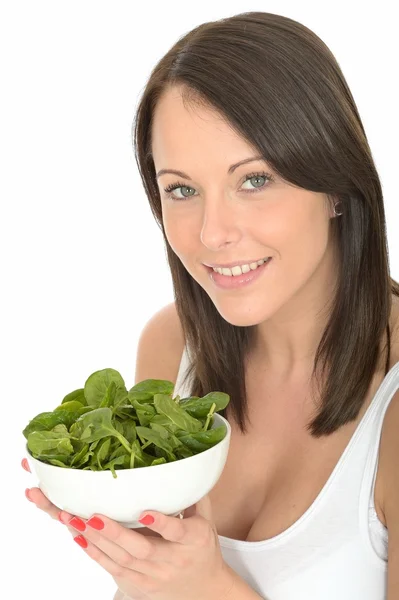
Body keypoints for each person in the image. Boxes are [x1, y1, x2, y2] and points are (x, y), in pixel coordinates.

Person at [22, 10, 399, 600]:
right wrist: (135, 560)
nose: (212, 234)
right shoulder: (173, 347)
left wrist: (210, 588)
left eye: (254, 180)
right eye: (182, 189)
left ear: (335, 184)